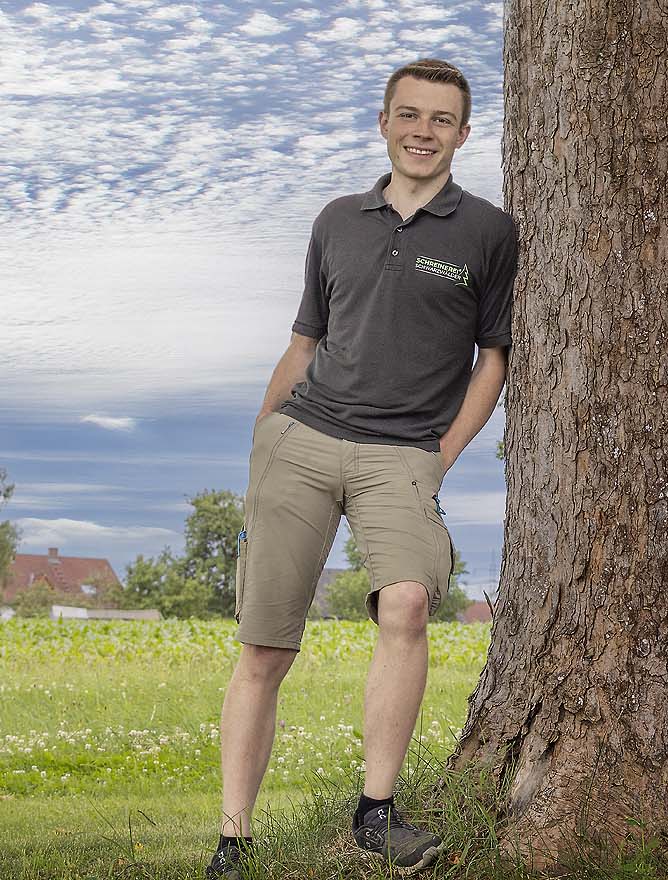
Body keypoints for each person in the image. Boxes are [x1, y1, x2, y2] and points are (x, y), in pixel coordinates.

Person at [207, 58, 517, 878]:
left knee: (408, 603)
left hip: (403, 455)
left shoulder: (487, 231)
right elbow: (304, 341)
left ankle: (374, 813)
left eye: (441, 119)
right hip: (300, 442)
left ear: (462, 132)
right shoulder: (337, 220)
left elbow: (494, 359)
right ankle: (233, 840)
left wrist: (441, 457)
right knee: (265, 649)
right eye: (409, 115)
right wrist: (263, 437)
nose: (423, 131)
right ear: (384, 123)